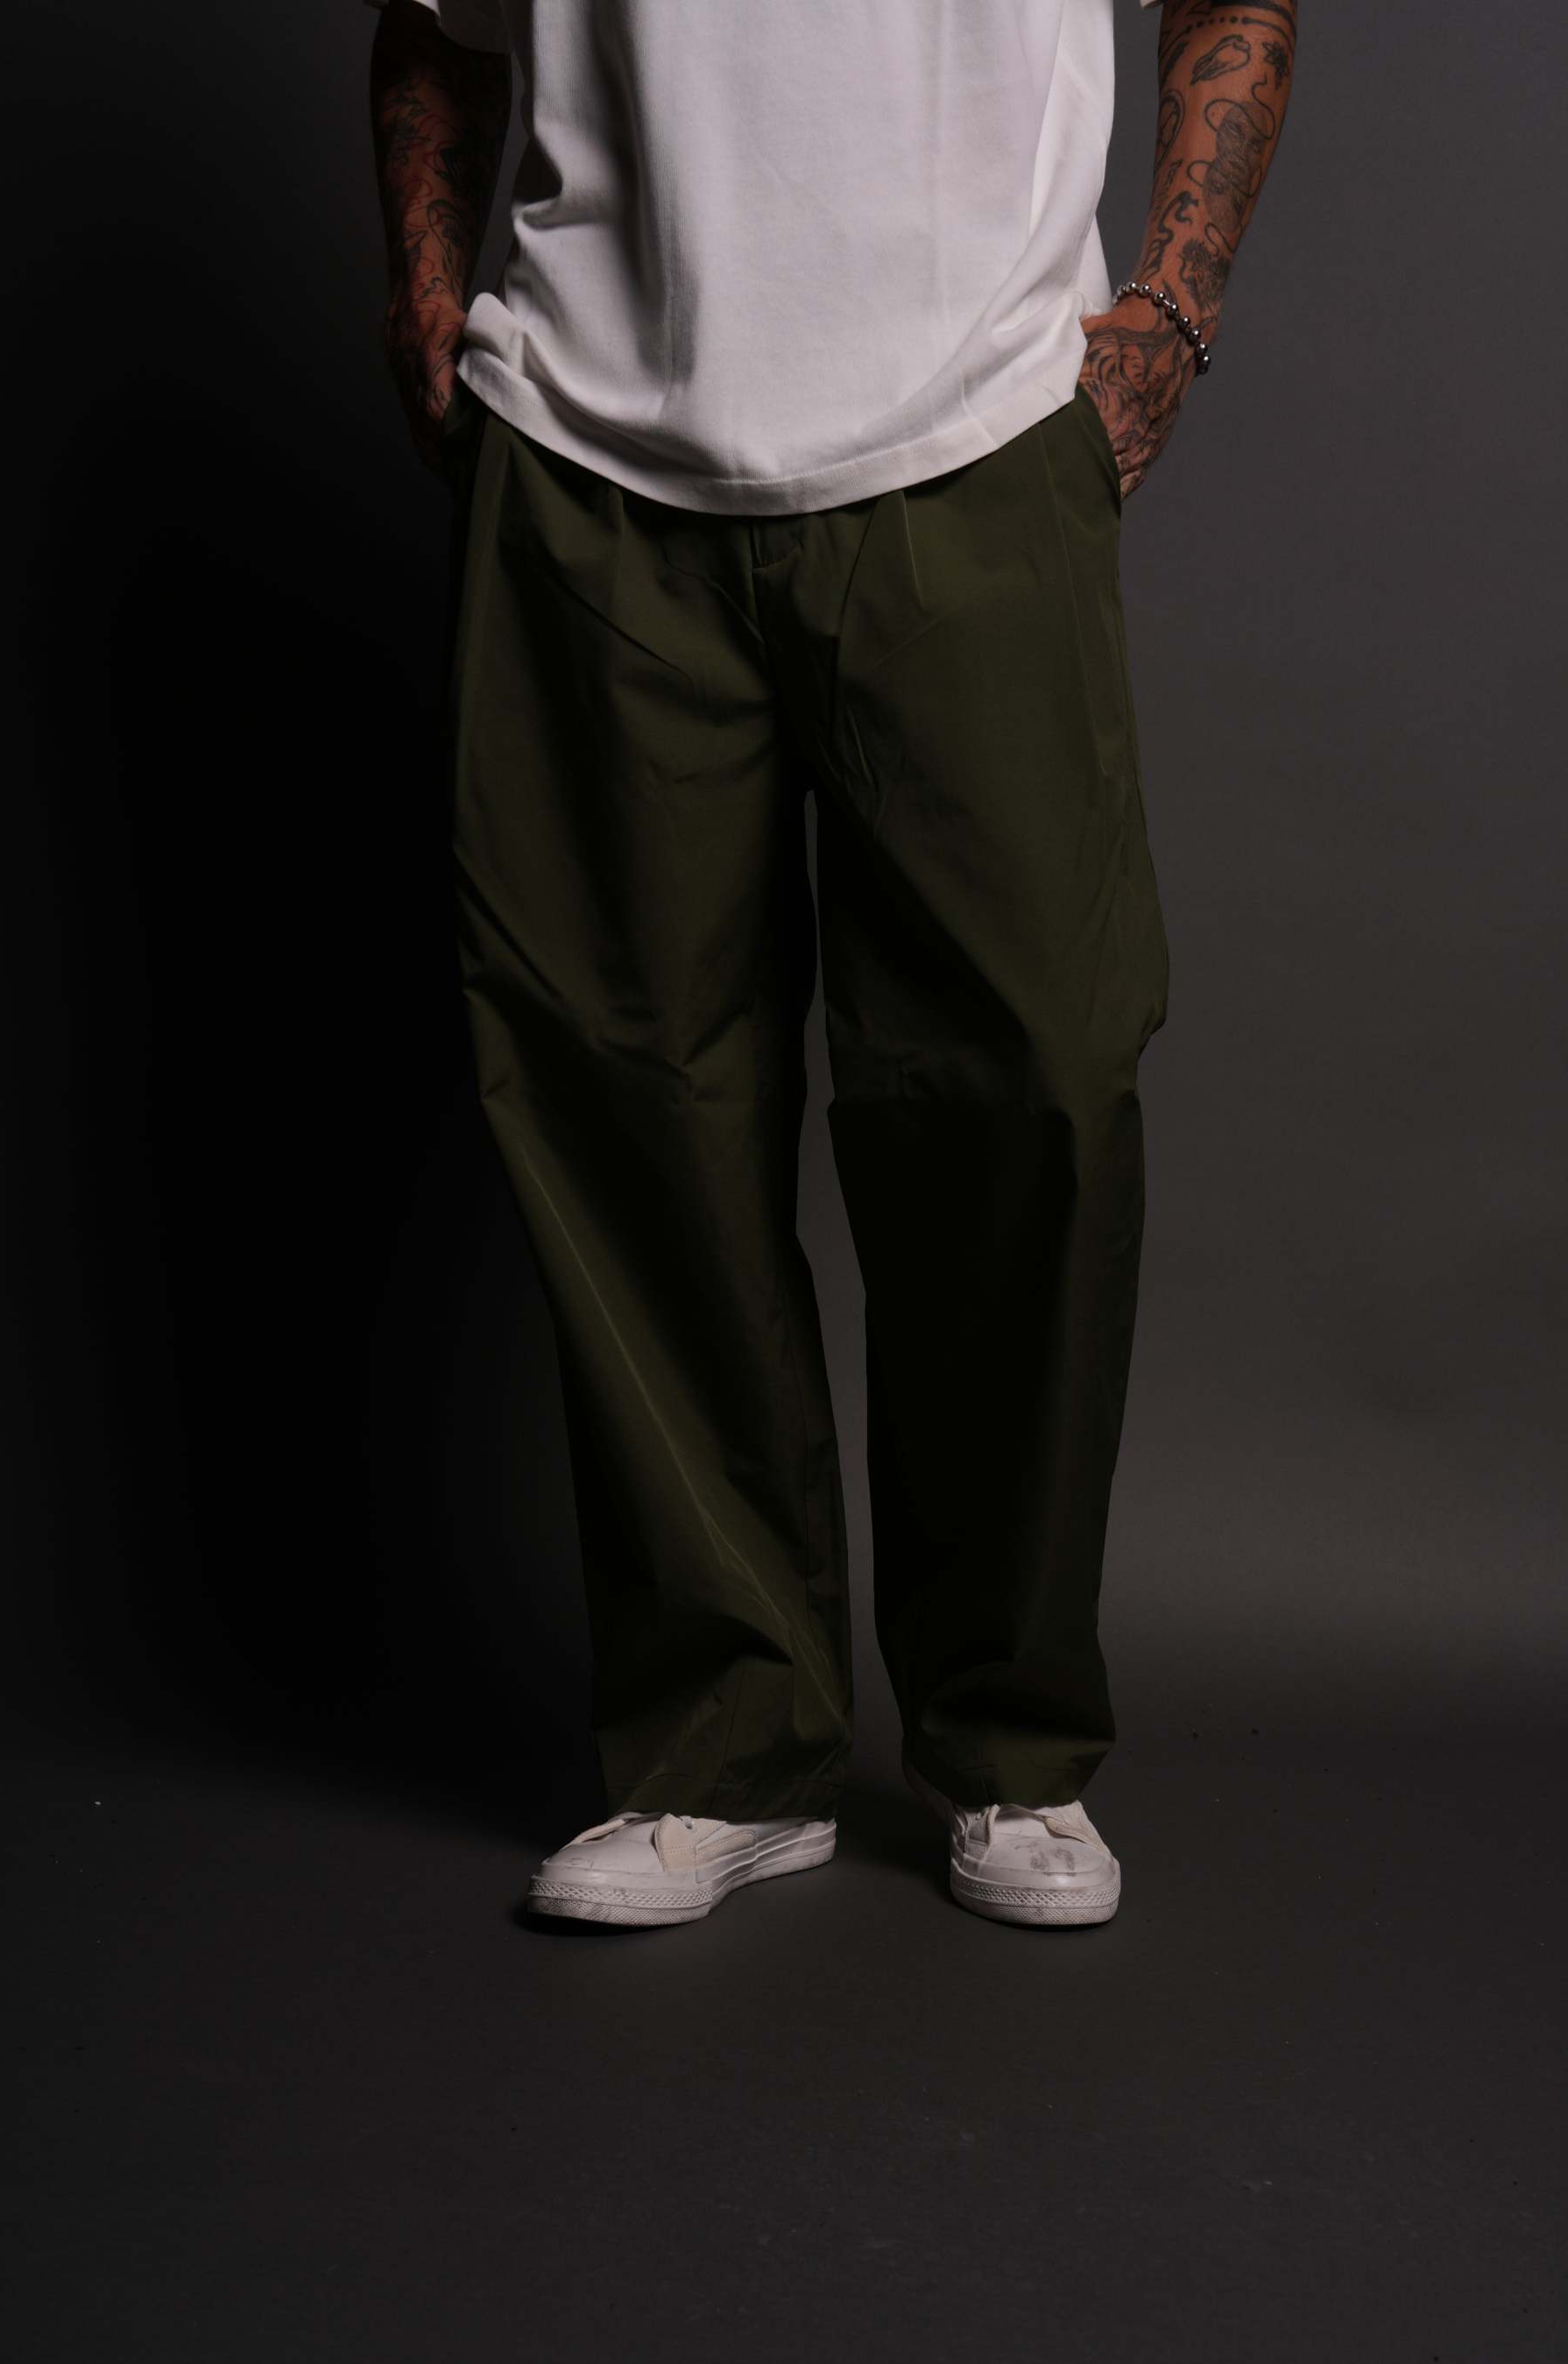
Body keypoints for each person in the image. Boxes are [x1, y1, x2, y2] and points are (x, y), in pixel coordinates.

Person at [364, 0, 1296, 1929]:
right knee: (627, 1098)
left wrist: (1172, 306)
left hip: (977, 420)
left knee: (1032, 1077)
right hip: (591, 444)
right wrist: (434, 300)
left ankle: (1011, 1741)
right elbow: (435, 28)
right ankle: (725, 1748)